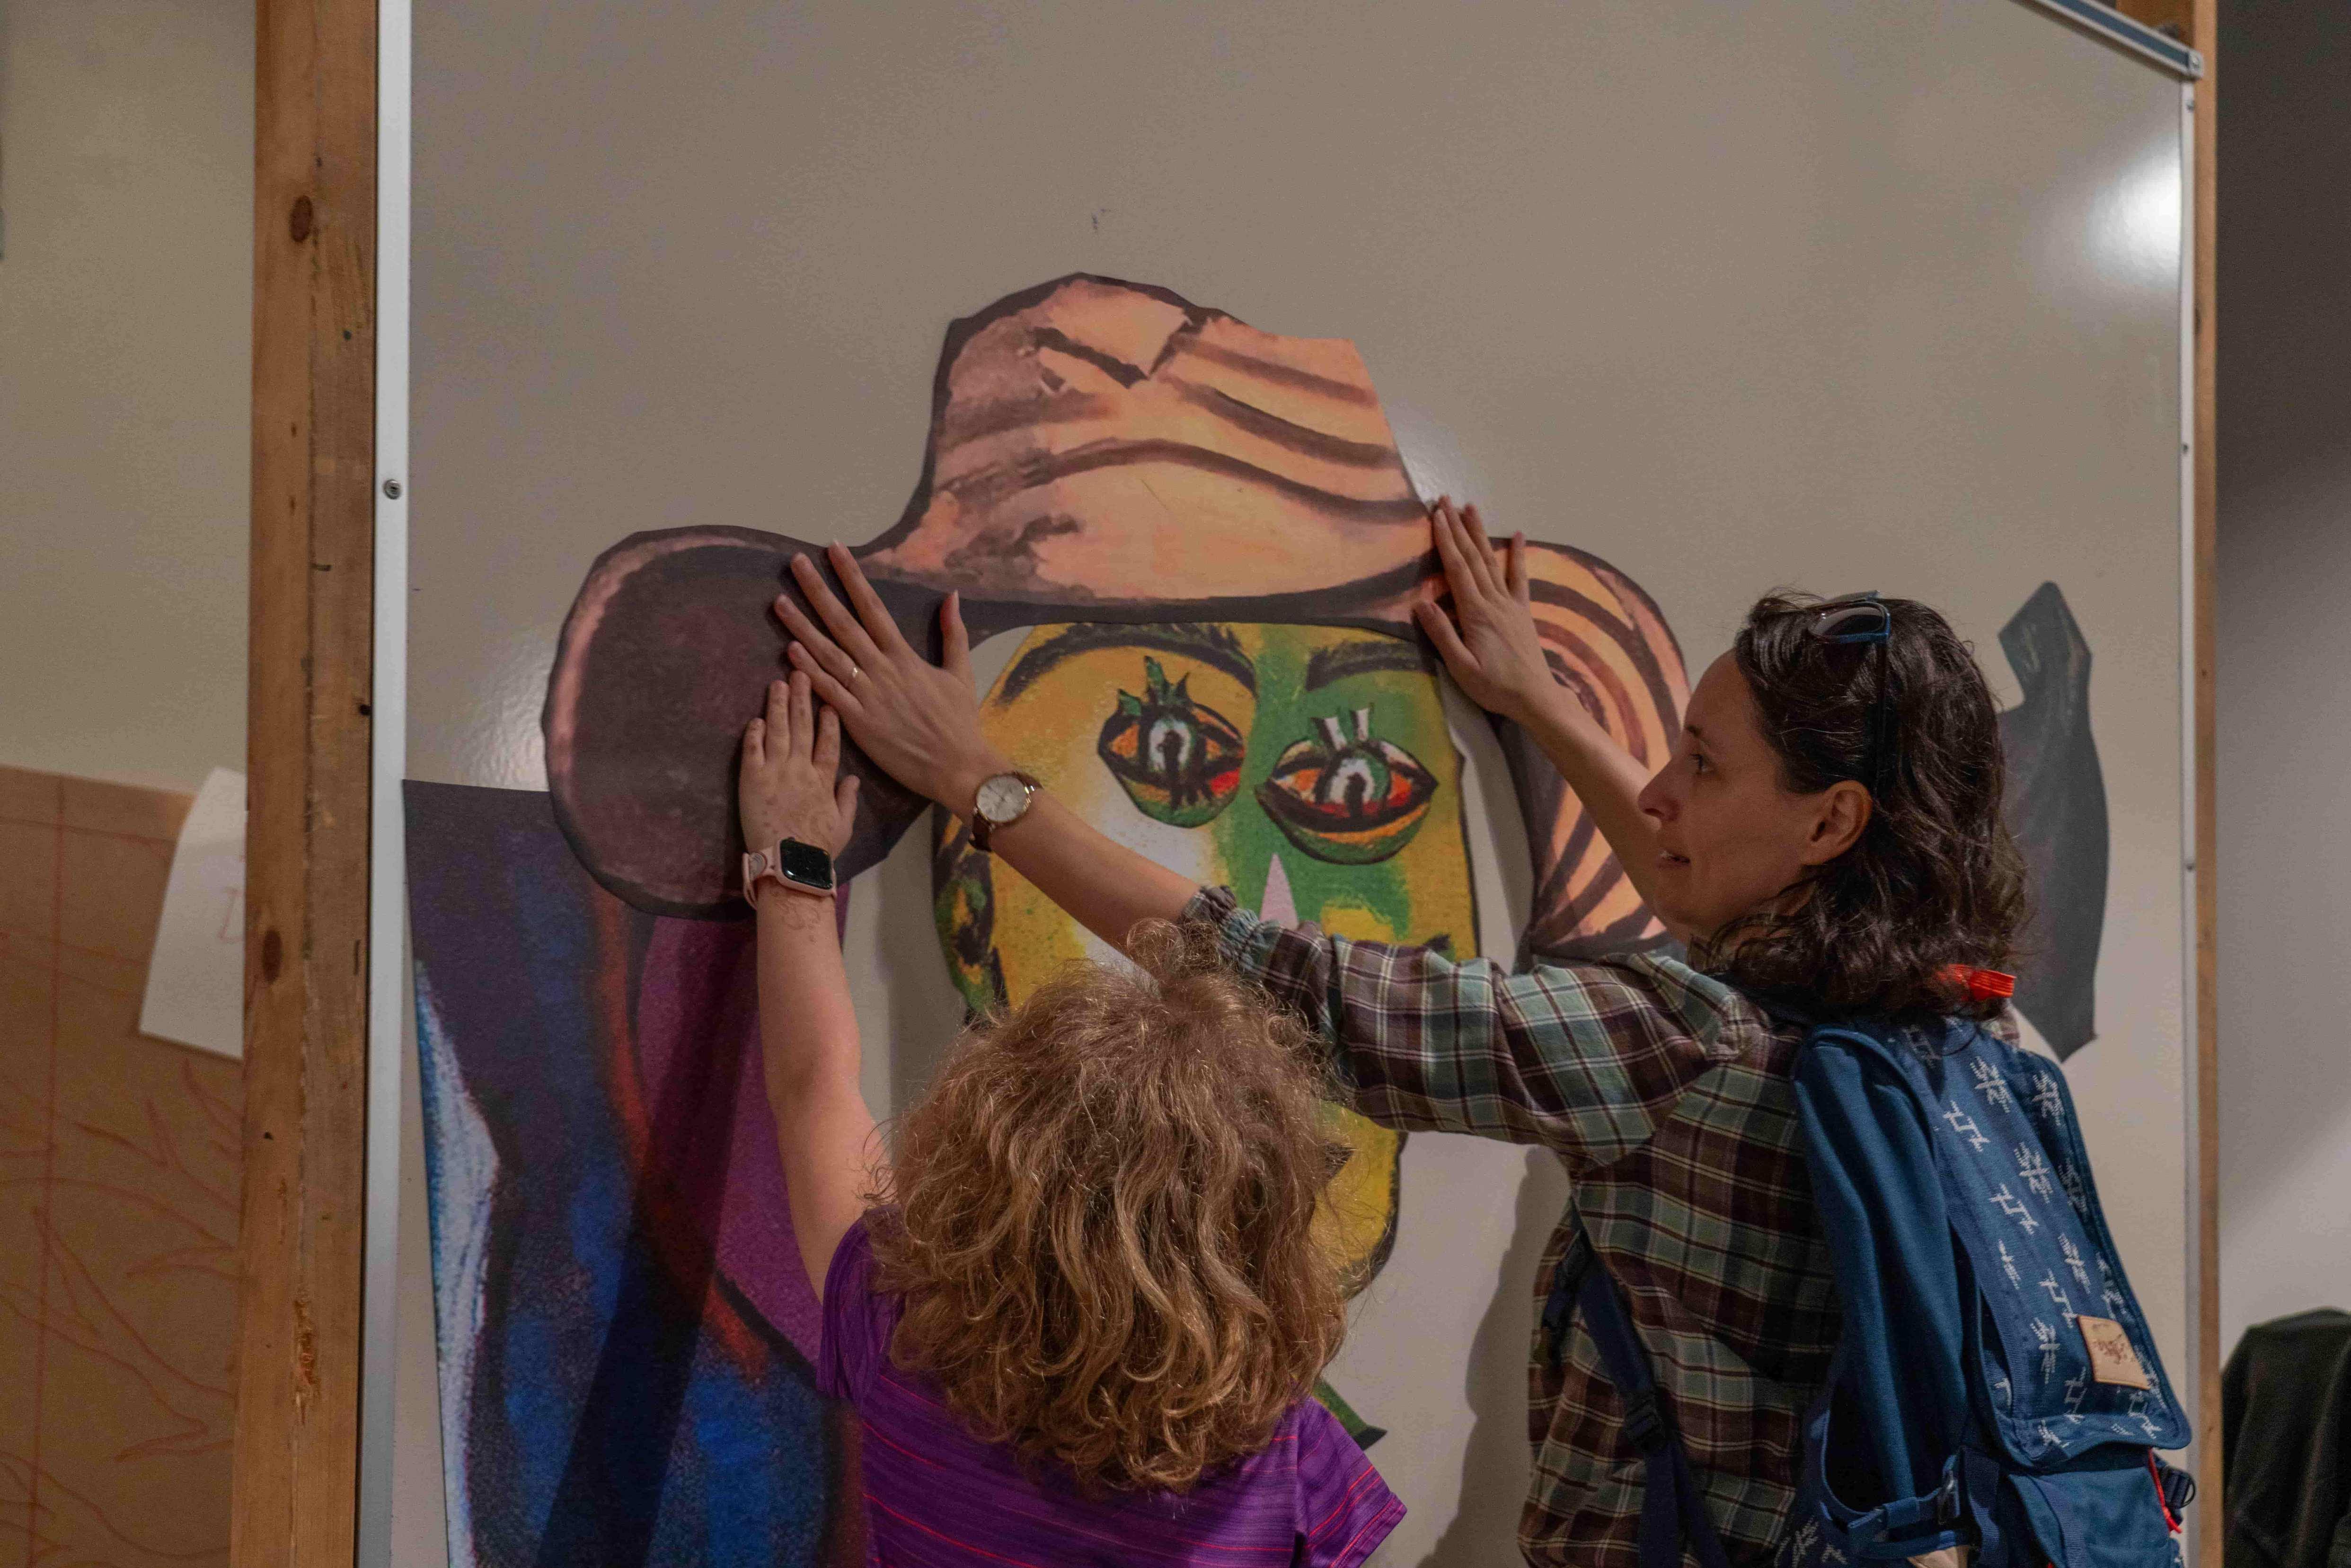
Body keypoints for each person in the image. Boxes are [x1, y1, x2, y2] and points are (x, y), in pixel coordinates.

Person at [771, 496, 2029, 1568]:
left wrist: (977, 787)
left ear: (1829, 824)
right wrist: (1537, 703)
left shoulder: (1670, 1046)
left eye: (1701, 764)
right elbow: (1713, 906)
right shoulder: (1972, 1026)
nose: (1658, 793)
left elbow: (1280, 979)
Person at [735, 670, 1405, 1567]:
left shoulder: (899, 1332)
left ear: (985, 1158)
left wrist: (794, 863)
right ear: (1258, 1224)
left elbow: (813, 1082)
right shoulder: (1289, 1461)